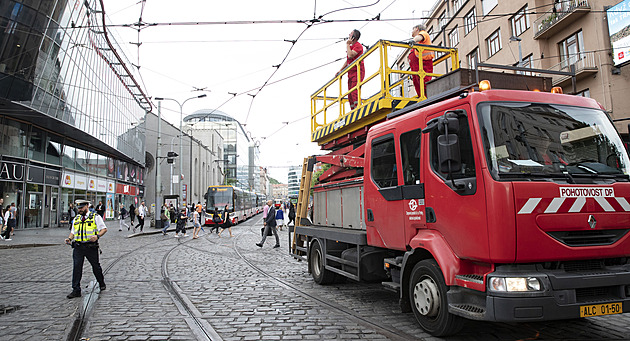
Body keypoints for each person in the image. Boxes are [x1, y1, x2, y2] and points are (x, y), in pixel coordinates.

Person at [64, 199, 107, 298]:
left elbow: (104, 229)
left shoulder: (95, 217)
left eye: (82, 208)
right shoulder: (77, 218)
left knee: (95, 266)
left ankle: (101, 282)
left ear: (87, 206)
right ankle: (76, 289)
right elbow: (73, 232)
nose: (80, 210)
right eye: (79, 208)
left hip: (90, 247)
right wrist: (69, 238)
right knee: (77, 267)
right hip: (78, 247)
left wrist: (97, 236)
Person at [336, 29, 365, 110]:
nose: (349, 34)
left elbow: (351, 55)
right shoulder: (352, 46)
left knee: (354, 92)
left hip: (357, 71)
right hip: (351, 72)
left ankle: (358, 108)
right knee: (350, 94)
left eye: (351, 34)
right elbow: (348, 59)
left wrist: (348, 44)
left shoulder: (358, 46)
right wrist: (341, 70)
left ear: (354, 37)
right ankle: (353, 109)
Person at [408, 24, 434, 97]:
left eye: (413, 29)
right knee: (418, 84)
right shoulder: (417, 45)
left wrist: (413, 40)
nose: (412, 32)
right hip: (417, 68)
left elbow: (419, 37)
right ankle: (422, 97)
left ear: (417, 29)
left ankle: (427, 97)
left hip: (424, 64)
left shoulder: (423, 33)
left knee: (424, 83)